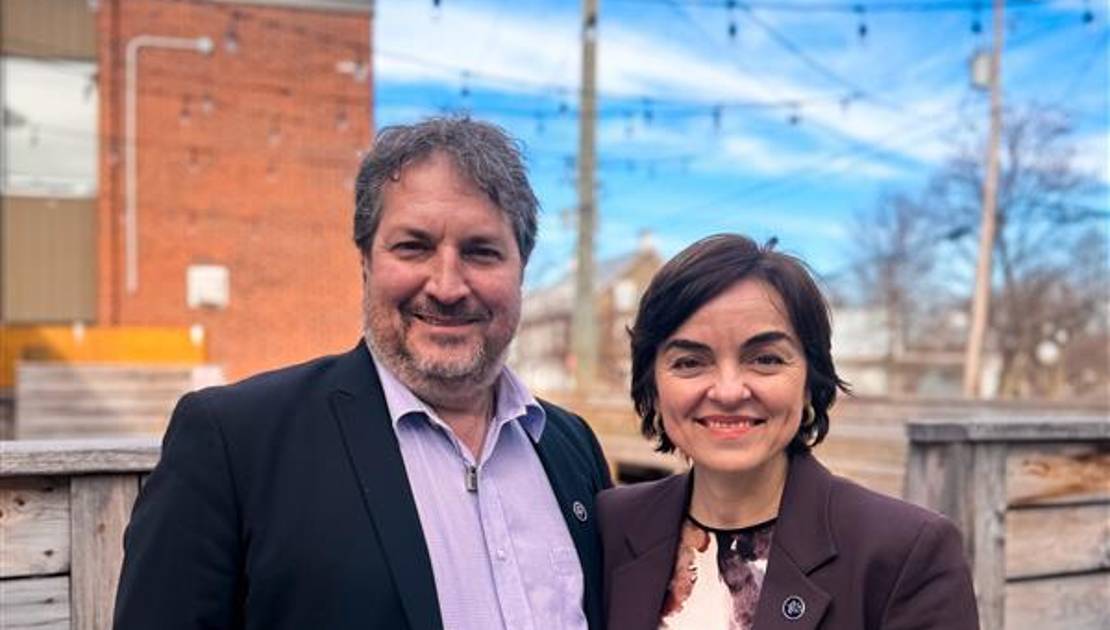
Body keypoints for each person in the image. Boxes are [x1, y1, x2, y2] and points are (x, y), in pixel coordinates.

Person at [114, 117, 612, 630]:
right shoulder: (237, 444)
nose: (446, 285)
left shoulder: (570, 447)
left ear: (521, 270)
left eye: (481, 251)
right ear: (366, 263)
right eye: (413, 246)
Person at [597, 234, 978, 630]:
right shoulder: (611, 526)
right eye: (691, 362)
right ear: (653, 386)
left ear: (811, 380)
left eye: (765, 359)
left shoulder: (905, 553)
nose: (728, 391)